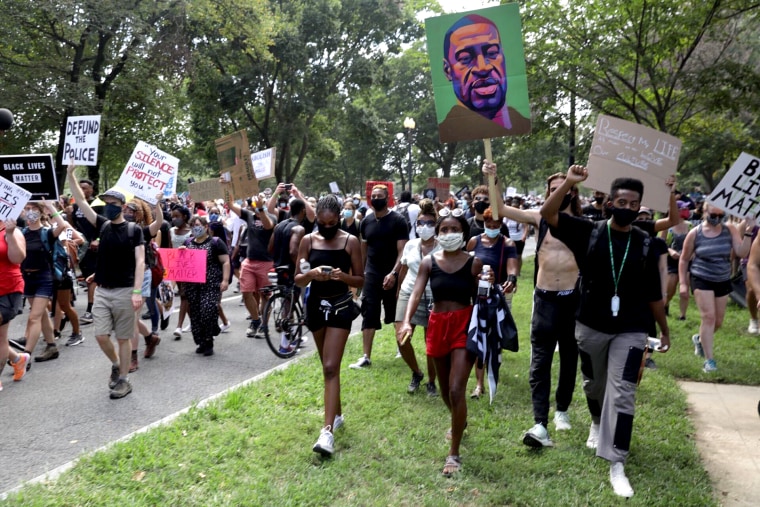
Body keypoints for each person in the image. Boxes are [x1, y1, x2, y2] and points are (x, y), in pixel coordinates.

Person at [541, 166, 670, 498]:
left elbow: (654, 295)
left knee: (622, 391)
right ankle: (597, 421)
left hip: (632, 329)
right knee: (595, 384)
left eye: (633, 204)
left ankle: (617, 463)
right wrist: (569, 182)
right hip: (590, 326)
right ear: (609, 201)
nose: (626, 208)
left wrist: (665, 331)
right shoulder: (589, 231)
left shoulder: (644, 242)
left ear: (640, 207)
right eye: (621, 201)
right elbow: (548, 213)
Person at [483, 162, 583, 448]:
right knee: (540, 361)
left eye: (563, 189)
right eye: (553, 190)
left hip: (572, 300)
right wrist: (494, 179)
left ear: (573, 193)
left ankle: (562, 409)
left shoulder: (582, 224)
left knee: (569, 356)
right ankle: (540, 421)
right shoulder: (539, 219)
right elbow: (500, 209)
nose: (558, 194)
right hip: (545, 299)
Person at [399, 207, 481, 476]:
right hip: (437, 324)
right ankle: (460, 419)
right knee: (446, 390)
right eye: (444, 229)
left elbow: (485, 295)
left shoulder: (474, 262)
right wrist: (408, 321)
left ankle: (454, 453)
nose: (448, 234)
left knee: (457, 389)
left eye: (454, 229)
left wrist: (491, 281)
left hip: (464, 325)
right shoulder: (429, 262)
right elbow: (416, 292)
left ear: (463, 233)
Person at [67, 162, 145, 399]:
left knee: (123, 338)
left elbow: (140, 262)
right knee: (101, 336)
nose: (109, 207)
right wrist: (70, 174)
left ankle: (123, 380)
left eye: (113, 204)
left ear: (123, 206)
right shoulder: (103, 224)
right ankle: (115, 364)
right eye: (107, 203)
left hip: (124, 291)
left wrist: (137, 292)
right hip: (102, 290)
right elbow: (80, 201)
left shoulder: (134, 230)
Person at [294, 195, 364, 456]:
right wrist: (311, 274)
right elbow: (298, 279)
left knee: (331, 366)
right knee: (327, 366)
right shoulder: (308, 241)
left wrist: (343, 276)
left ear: (338, 219)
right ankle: (337, 414)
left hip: (340, 306)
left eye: (332, 223)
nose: (326, 227)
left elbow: (361, 280)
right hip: (315, 305)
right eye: (322, 223)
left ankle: (327, 433)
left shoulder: (350, 241)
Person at [679, 203, 753, 373]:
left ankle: (699, 339)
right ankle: (709, 361)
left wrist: (748, 232)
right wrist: (683, 283)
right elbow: (684, 259)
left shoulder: (730, 230)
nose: (717, 219)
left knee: (718, 322)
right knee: (709, 318)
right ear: (705, 212)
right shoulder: (695, 233)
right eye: (713, 214)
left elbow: (741, 252)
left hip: (722, 278)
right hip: (701, 277)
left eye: (721, 215)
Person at [438, 14, 531, 142]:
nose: (482, 68)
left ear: (503, 57)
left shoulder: (523, 124)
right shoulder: (448, 131)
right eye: (465, 58)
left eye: (492, 53)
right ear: (448, 71)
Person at [350, 184, 408, 369]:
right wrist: (361, 274)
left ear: (387, 197)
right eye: (373, 195)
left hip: (392, 274)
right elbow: (363, 250)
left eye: (379, 195)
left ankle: (402, 350)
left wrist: (394, 273)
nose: (376, 198)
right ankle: (366, 356)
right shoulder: (366, 222)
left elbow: (403, 251)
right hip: (372, 275)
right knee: (369, 312)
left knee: (395, 314)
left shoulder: (398, 220)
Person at [465, 206, 517, 399]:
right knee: (480, 337)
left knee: (495, 340)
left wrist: (510, 280)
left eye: (496, 225)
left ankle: (492, 373)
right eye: (489, 224)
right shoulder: (473, 242)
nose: (492, 228)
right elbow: (465, 265)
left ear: (501, 225)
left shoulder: (507, 243)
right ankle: (479, 385)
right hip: (477, 297)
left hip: (497, 297)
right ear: (484, 224)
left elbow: (512, 268)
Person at [394, 199, 441, 396]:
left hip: (433, 295)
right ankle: (417, 372)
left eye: (430, 224)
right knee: (401, 338)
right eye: (421, 223)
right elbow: (403, 269)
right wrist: (398, 292)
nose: (425, 227)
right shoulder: (411, 245)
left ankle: (431, 381)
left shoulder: (443, 247)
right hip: (408, 292)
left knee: (431, 342)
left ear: (436, 226)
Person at [222, 187, 277, 338]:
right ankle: (255, 320)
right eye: (256, 203)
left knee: (265, 295)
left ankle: (264, 326)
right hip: (249, 262)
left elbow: (267, 225)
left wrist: (261, 209)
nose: (257, 204)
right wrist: (227, 185)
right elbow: (231, 204)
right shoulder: (249, 215)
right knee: (246, 292)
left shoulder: (271, 217)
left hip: (266, 263)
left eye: (261, 202)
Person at [20, 201, 65, 363]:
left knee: (34, 317)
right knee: (42, 314)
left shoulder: (47, 232)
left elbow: (63, 225)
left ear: (40, 212)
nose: (29, 212)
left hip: (44, 277)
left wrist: (50, 206)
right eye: (27, 209)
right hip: (27, 277)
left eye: (33, 209)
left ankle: (25, 356)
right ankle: (52, 346)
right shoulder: (21, 232)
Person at [123, 196, 164, 370]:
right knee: (126, 316)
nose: (127, 214)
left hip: (142, 276)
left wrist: (158, 205)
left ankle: (133, 357)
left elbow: (159, 223)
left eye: (131, 211)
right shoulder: (117, 228)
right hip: (123, 277)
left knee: (132, 318)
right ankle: (150, 337)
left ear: (139, 214)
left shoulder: (144, 231)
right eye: (125, 210)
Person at [183, 216, 230, 356]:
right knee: (196, 314)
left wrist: (225, 280)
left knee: (207, 310)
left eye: (198, 225)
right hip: (193, 286)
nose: (195, 228)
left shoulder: (215, 242)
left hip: (210, 284)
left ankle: (209, 339)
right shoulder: (188, 243)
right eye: (193, 226)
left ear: (205, 226)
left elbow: (225, 262)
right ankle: (201, 341)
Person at [65, 177, 103, 325]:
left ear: (91, 190)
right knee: (84, 276)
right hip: (81, 247)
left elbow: (105, 225)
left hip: (95, 247)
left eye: (85, 188)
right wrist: (68, 214)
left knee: (91, 279)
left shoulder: (99, 205)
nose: (82, 190)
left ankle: (91, 309)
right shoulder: (75, 207)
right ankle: (67, 308)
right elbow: (72, 226)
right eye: (79, 188)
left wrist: (98, 240)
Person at [661, 202, 692, 321]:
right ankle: (665, 304)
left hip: (687, 261)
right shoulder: (667, 226)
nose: (686, 210)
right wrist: (670, 251)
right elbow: (661, 242)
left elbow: (695, 242)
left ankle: (682, 315)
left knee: (685, 287)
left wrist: (692, 254)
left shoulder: (689, 226)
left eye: (686, 208)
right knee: (671, 287)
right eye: (683, 208)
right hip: (672, 261)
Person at [170, 204, 192, 340]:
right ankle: (194, 322)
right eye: (172, 216)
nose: (174, 219)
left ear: (184, 217)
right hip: (175, 267)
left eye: (177, 216)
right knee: (185, 296)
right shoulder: (171, 231)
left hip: (189, 267)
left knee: (184, 295)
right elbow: (168, 248)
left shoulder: (191, 231)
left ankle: (179, 326)